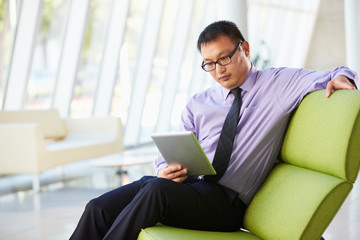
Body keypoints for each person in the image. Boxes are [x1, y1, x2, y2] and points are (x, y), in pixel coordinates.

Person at [70, 20, 358, 240]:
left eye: (224, 58)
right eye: (209, 64)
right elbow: (169, 151)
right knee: (98, 207)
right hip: (186, 187)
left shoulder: (277, 85)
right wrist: (164, 168)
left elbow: (334, 72)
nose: (218, 70)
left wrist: (343, 77)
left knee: (155, 191)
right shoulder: (199, 103)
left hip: (225, 202)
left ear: (244, 49)